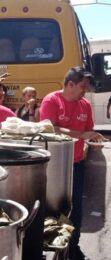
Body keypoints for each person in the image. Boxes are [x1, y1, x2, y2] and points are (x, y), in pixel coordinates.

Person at [39, 66, 105, 260]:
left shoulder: (84, 105)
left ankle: (72, 246)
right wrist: (81, 135)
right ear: (70, 85)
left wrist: (95, 143)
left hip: (76, 164)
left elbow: (89, 131)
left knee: (75, 207)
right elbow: (50, 129)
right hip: (53, 165)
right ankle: (49, 246)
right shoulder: (51, 100)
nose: (85, 92)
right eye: (82, 87)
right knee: (53, 207)